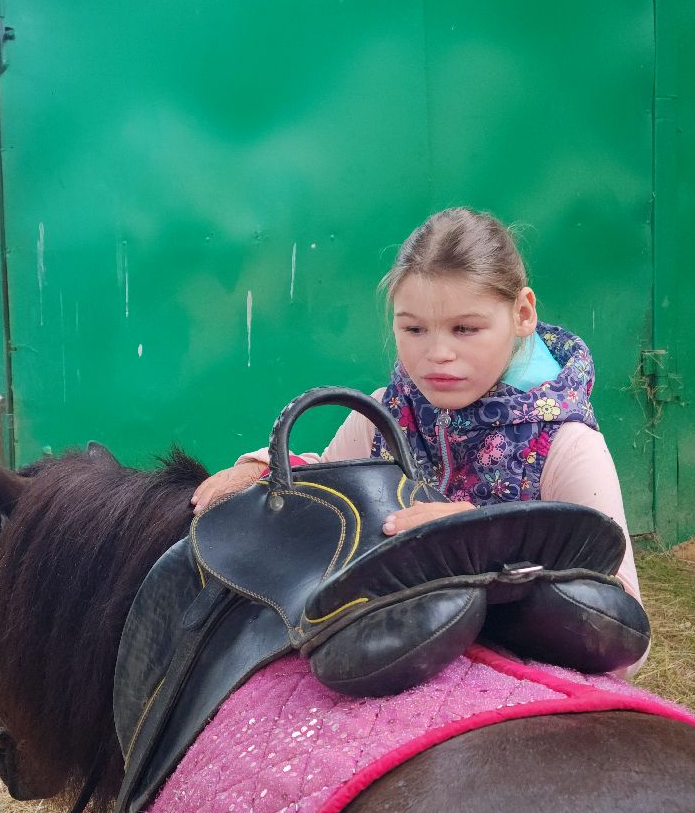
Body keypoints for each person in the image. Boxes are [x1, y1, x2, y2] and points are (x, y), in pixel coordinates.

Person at [191, 207, 642, 601]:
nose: (437, 353)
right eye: (414, 329)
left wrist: (497, 538)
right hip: (390, 657)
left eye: (465, 329)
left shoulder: (566, 443)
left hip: (512, 680)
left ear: (523, 314)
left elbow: (622, 624)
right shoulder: (382, 414)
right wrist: (263, 471)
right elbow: (330, 484)